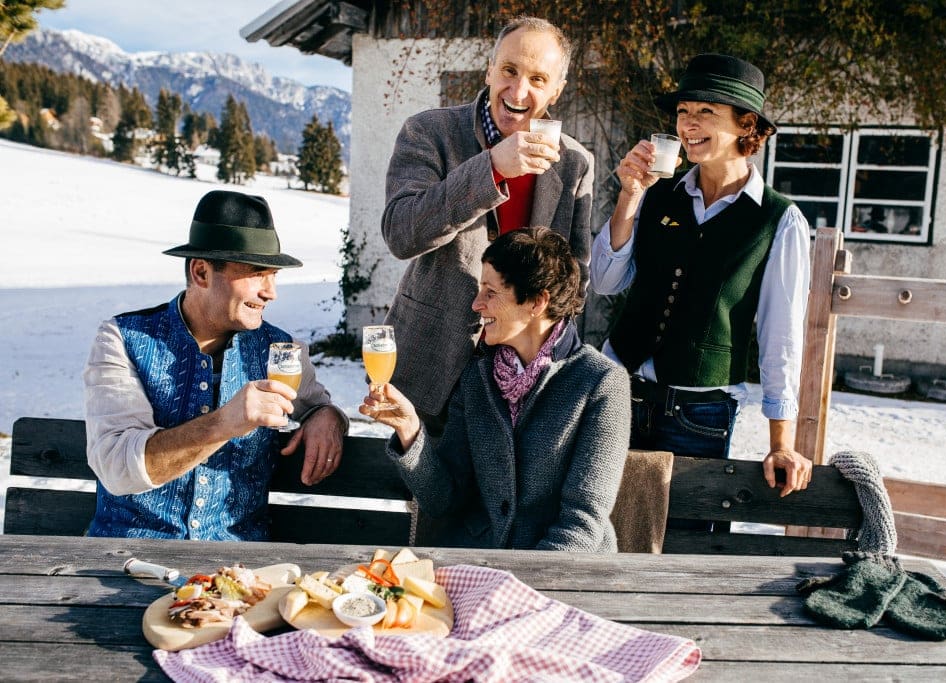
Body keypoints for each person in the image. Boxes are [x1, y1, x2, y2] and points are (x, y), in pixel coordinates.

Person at [591, 54, 813, 499]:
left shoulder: (779, 220)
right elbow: (605, 281)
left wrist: (781, 443)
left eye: (706, 112)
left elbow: (781, 337)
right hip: (619, 393)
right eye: (683, 112)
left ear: (746, 125)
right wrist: (629, 197)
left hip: (701, 412)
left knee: (684, 543)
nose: (688, 123)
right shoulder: (655, 194)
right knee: (602, 535)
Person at [84, 190, 349, 540]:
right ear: (201, 272)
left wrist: (327, 417)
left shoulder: (281, 350)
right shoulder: (122, 338)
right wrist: (226, 422)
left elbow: (317, 405)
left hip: (238, 569)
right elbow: (118, 468)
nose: (271, 292)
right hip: (128, 558)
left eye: (273, 276)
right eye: (257, 273)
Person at [380, 15, 594, 435]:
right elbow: (402, 233)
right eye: (509, 71)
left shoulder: (573, 162)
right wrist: (492, 169)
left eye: (538, 78)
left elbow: (575, 281)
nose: (519, 91)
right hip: (433, 367)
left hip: (524, 382)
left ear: (557, 90)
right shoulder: (429, 131)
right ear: (490, 69)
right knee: (431, 499)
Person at [361, 228, 629, 551]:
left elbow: (581, 526)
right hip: (483, 565)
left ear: (536, 302)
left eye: (490, 292)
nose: (476, 304)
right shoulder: (477, 376)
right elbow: (443, 500)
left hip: (561, 574)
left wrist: (515, 590)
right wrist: (409, 429)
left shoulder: (600, 383)